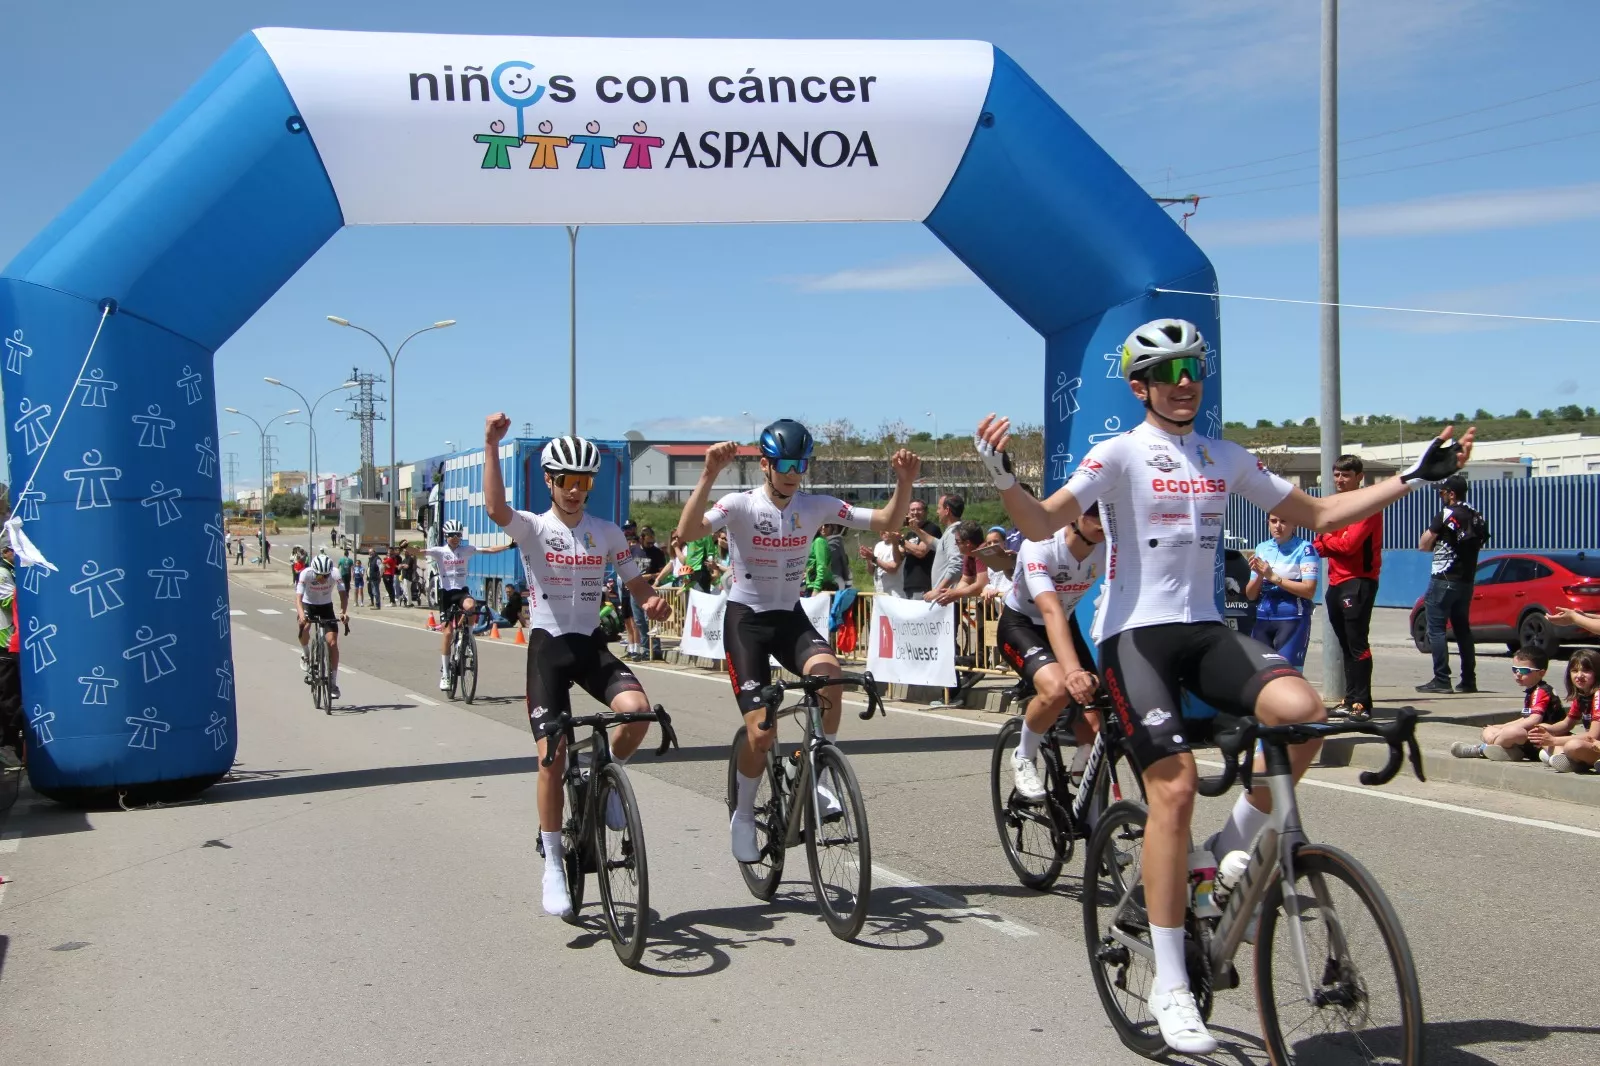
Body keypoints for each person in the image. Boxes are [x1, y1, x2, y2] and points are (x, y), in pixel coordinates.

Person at [973, 317, 1472, 1054]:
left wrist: (1413, 479)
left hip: (1204, 631)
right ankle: (1173, 981)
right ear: (1139, 387)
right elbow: (1044, 519)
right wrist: (1003, 475)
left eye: (1192, 370)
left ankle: (1226, 847)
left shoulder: (1223, 456)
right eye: (1166, 373)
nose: (1183, 383)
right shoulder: (1118, 454)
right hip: (1135, 636)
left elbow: (1323, 513)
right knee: (1170, 786)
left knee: (1302, 715)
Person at [675, 418, 918, 864]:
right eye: (785, 463)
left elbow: (886, 520)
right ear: (766, 465)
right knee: (762, 731)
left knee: (831, 679)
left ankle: (819, 775)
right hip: (746, 620)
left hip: (789, 617)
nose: (794, 472)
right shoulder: (739, 505)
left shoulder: (816, 505)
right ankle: (744, 813)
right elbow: (687, 533)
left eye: (801, 463)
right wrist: (708, 474)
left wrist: (904, 482)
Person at [482, 415, 670, 917]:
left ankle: (606, 776)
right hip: (548, 649)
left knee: (636, 712)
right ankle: (552, 863)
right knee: (552, 756)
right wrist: (489, 445)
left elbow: (636, 583)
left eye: (583, 482)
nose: (574, 490)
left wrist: (652, 603)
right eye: (565, 481)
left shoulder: (607, 533)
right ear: (550, 481)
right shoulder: (533, 527)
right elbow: (495, 507)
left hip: (589, 646)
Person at [997, 505, 1107, 801]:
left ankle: (1093, 819)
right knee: (1058, 689)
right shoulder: (1039, 546)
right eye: (1095, 513)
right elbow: (1050, 609)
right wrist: (1073, 673)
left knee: (1100, 717)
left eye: (1109, 511)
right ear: (1074, 516)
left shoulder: (1109, 547)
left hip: (1064, 624)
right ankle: (1023, 756)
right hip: (1022, 625)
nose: (1104, 520)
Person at [1313, 455, 1382, 721]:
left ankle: (1362, 703)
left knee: (1357, 643)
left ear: (1359, 477)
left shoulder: (1367, 507)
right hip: (1336, 583)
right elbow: (1318, 544)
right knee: (1345, 645)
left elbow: (1348, 545)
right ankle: (1350, 698)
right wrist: (1330, 539)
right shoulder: (1334, 505)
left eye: (1347, 475)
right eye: (1337, 475)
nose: (1340, 480)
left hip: (1359, 582)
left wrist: (1328, 538)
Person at [1417, 474, 1488, 694]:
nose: (1441, 496)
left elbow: (1424, 544)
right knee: (1462, 630)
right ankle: (1468, 680)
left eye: (1442, 492)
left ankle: (1441, 679)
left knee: (1436, 629)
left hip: (1443, 578)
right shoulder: (1476, 514)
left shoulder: (1447, 514)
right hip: (1466, 581)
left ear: (1451, 493)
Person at [423, 520, 513, 689]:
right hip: (446, 594)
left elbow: (489, 550)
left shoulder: (467, 550)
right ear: (445, 536)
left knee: (471, 606)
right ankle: (445, 675)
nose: (455, 538)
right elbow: (418, 552)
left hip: (461, 591)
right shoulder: (439, 551)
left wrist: (509, 546)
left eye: (458, 535)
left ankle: (469, 637)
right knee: (448, 633)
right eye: (451, 535)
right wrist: (405, 548)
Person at [1449, 647, 1561, 761]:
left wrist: (1504, 730)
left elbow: (1534, 720)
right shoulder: (1532, 690)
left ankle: (1482, 749)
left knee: (1514, 732)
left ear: (1541, 673)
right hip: (1531, 738)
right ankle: (1509, 751)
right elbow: (1525, 718)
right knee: (1489, 730)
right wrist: (1501, 727)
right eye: (1515, 669)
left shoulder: (1541, 691)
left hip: (1542, 741)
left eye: (1523, 671)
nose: (1518, 674)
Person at [1245, 514, 1319, 672]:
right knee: (1261, 675)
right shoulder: (1262, 548)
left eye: (1284, 521)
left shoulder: (1305, 549)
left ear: (1295, 525)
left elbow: (1309, 590)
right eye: (1273, 521)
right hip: (1263, 619)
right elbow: (1251, 595)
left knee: (1288, 674)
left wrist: (1273, 577)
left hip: (1292, 619)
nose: (1278, 526)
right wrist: (1259, 575)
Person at [1532, 648, 1600, 772]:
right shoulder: (1581, 695)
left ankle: (1572, 761)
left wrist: (1554, 740)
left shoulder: (1598, 695)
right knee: (1545, 741)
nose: (1579, 675)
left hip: (1596, 744)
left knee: (1573, 746)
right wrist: (1547, 729)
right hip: (1592, 745)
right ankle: (1569, 760)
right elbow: (1567, 723)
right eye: (1575, 671)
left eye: (1586, 670)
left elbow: (1592, 735)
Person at [295, 554, 350, 699]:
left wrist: (343, 613)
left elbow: (343, 595)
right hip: (308, 605)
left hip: (326, 606)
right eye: (320, 576)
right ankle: (306, 654)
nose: (323, 579)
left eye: (326, 576)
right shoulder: (305, 574)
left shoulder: (335, 573)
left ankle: (332, 683)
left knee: (332, 642)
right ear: (314, 571)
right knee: (304, 627)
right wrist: (301, 615)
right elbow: (298, 599)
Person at [925, 494, 968, 601]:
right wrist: (916, 529)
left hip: (948, 599)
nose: (937, 512)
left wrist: (937, 590)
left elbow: (956, 566)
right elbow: (937, 544)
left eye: (939, 508)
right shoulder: (952, 531)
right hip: (946, 598)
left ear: (947, 510)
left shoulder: (954, 532)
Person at [0, 548, 21, 761]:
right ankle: (9, 742)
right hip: (6, 640)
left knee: (13, 694)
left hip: (13, 641)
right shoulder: (3, 572)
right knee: (9, 696)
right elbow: (7, 601)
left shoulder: (13, 570)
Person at [898, 499, 941, 598]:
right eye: (912, 510)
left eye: (919, 509)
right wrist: (894, 539)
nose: (915, 513)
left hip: (925, 584)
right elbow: (900, 555)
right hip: (909, 583)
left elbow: (921, 552)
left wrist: (901, 541)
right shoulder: (910, 533)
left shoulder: (932, 528)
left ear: (925, 512)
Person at [861, 528, 904, 597]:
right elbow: (871, 571)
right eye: (881, 528)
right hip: (879, 593)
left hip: (894, 594)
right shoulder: (878, 545)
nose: (883, 532)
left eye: (886, 528)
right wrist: (868, 559)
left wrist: (873, 558)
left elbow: (892, 568)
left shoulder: (899, 546)